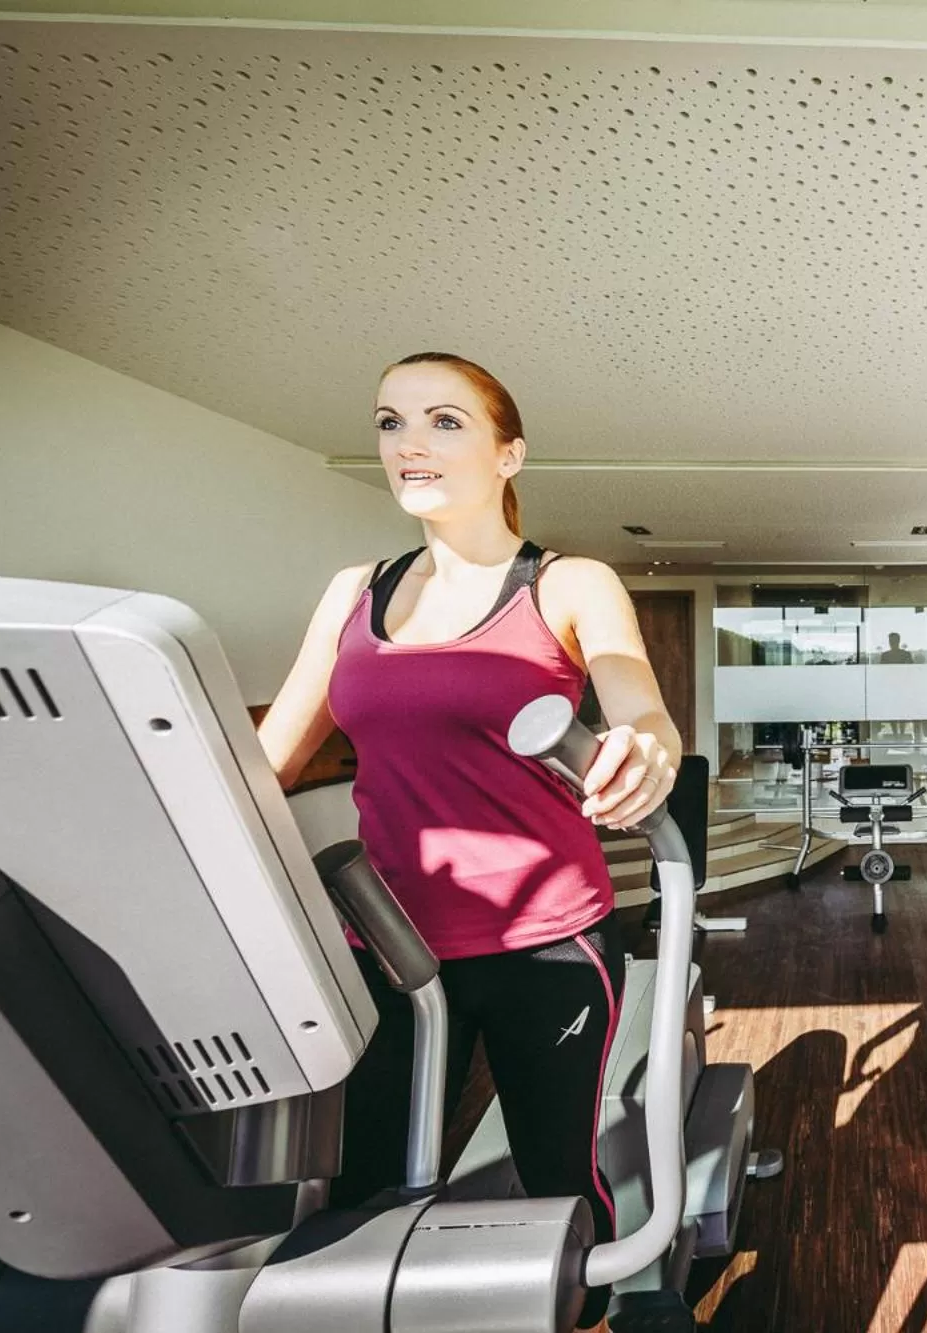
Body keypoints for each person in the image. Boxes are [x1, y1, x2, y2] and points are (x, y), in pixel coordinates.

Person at [256, 352, 683, 1333]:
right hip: (392, 945)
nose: (410, 442)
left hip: (548, 940)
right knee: (366, 1178)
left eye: (445, 421)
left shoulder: (566, 582)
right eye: (390, 421)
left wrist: (645, 751)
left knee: (553, 1169)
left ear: (507, 453)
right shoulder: (352, 592)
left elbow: (638, 702)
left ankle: (599, 1310)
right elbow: (265, 762)